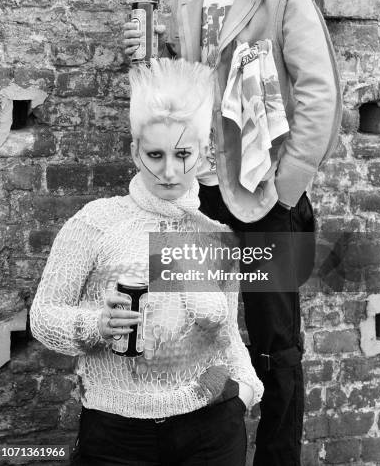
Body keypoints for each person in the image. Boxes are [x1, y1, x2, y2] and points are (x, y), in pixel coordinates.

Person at [123, 0, 342, 466]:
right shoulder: (183, 1)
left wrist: (287, 187)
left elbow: (320, 94)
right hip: (199, 201)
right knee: (194, 333)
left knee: (275, 346)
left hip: (266, 195)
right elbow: (185, 96)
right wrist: (145, 66)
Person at [30, 58, 263, 466]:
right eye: (155, 155)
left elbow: (227, 335)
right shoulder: (95, 223)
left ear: (205, 152)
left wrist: (244, 390)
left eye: (183, 153)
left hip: (211, 431)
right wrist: (95, 325)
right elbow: (43, 316)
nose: (169, 171)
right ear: (135, 152)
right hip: (118, 435)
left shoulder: (217, 238)